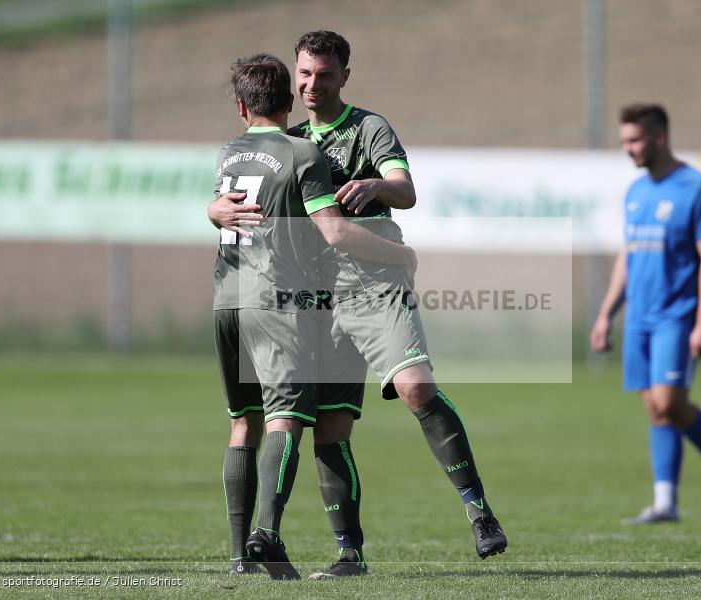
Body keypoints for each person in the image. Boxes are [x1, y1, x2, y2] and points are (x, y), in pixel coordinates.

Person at [210, 31, 507, 580]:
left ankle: (479, 512)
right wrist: (214, 209)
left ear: (345, 75)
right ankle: (351, 555)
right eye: (303, 74)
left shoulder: (368, 127)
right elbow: (239, 193)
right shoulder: (291, 142)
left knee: (417, 386)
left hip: (372, 283)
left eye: (324, 75)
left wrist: (377, 186)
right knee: (330, 427)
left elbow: (405, 188)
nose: (311, 84)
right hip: (310, 298)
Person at [210, 53, 417, 579]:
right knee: (287, 420)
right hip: (277, 302)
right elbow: (334, 231)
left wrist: (211, 211)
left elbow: (221, 209)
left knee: (243, 424)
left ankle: (239, 559)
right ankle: (266, 535)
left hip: (225, 298)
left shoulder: (229, 155)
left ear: (241, 106)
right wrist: (401, 255)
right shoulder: (303, 153)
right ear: (289, 101)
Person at [590, 103, 701, 525]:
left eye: (635, 140)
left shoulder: (697, 189)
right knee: (655, 409)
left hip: (677, 315)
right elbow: (628, 254)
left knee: (669, 401)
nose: (628, 149)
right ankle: (665, 503)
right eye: (623, 141)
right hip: (639, 317)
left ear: (660, 136)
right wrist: (607, 313)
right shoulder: (636, 192)